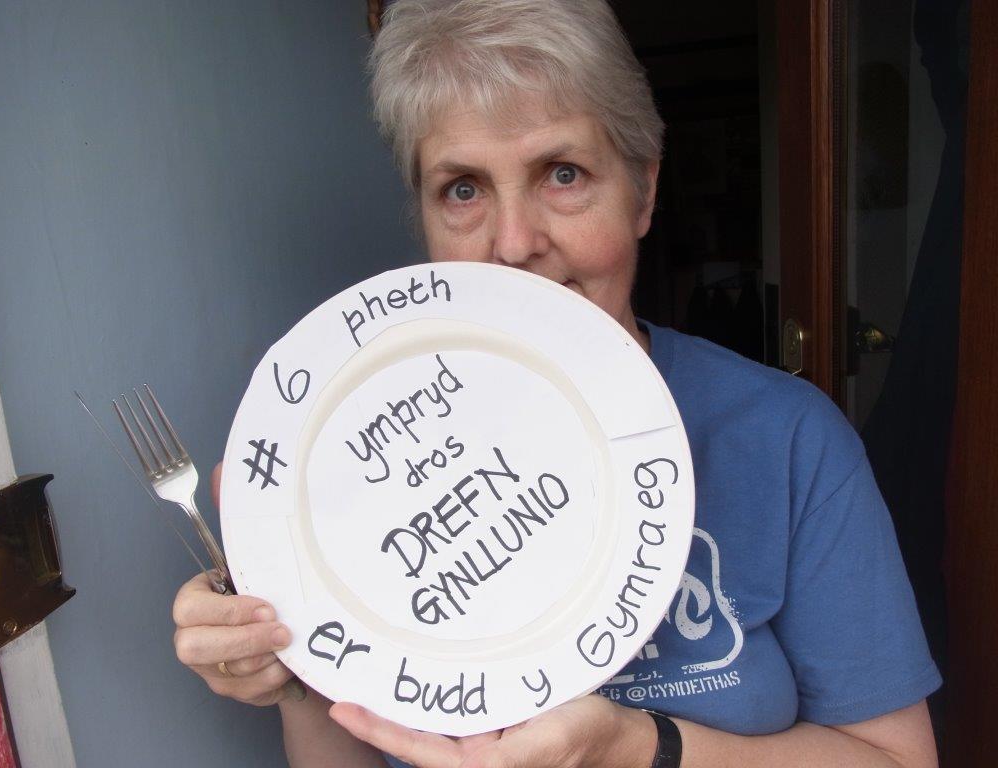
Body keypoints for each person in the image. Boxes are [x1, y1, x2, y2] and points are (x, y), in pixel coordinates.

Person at [170, 2, 942, 766]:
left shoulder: (786, 437)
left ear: (643, 190)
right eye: (463, 189)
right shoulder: (358, 466)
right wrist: (289, 655)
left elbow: (898, 761)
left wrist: (639, 748)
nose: (513, 245)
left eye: (563, 174)